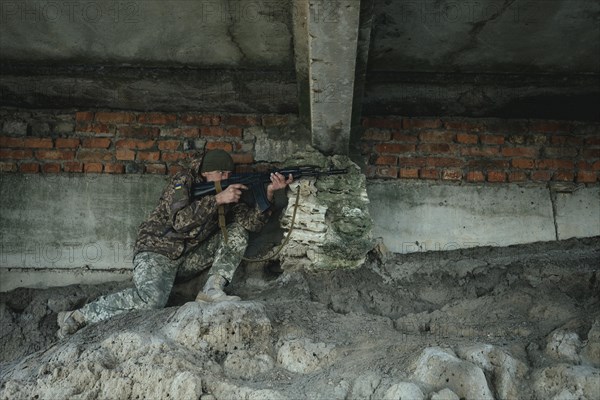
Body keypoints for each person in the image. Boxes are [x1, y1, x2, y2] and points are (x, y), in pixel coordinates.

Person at [57, 149, 293, 338]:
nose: (225, 178)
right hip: (156, 252)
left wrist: (270, 193)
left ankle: (212, 288)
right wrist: (218, 199)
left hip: (186, 259)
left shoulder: (231, 192)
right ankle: (78, 317)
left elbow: (250, 224)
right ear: (204, 174)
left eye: (228, 173)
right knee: (151, 301)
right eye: (219, 173)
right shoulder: (183, 181)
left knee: (237, 230)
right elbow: (180, 221)